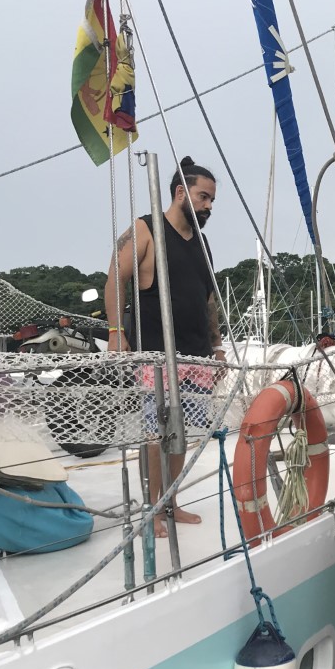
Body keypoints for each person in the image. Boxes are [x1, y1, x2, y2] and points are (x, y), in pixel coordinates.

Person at [103, 156, 225, 538]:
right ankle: (149, 510)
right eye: (203, 197)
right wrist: (115, 331)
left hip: (195, 354)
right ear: (179, 192)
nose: (208, 206)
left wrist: (217, 345)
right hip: (156, 353)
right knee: (156, 435)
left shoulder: (202, 244)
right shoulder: (144, 230)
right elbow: (114, 278)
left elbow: (208, 300)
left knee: (182, 432)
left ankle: (170, 503)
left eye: (211, 201)